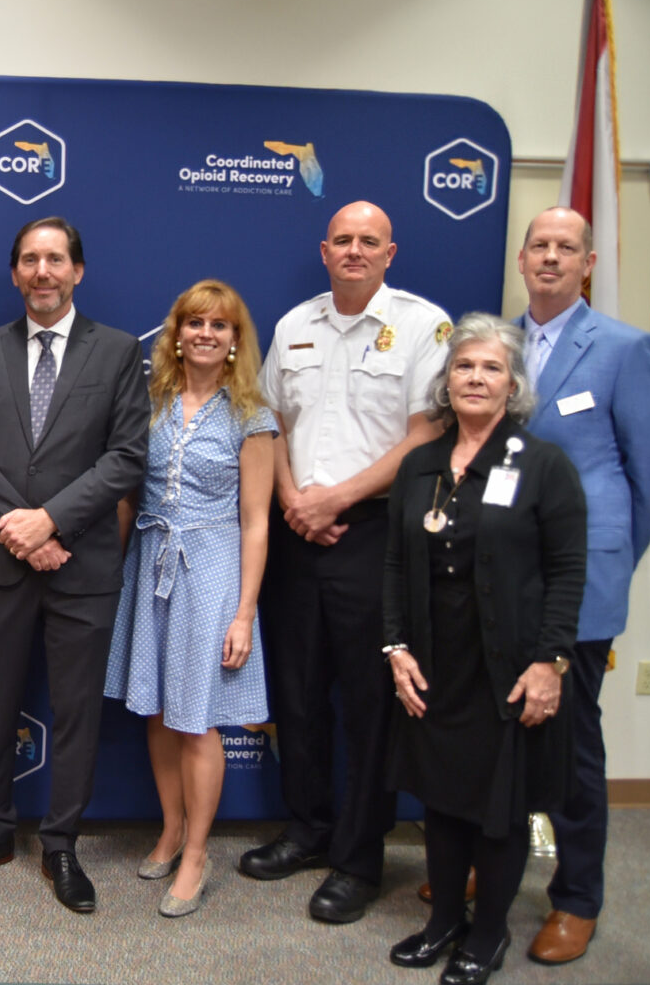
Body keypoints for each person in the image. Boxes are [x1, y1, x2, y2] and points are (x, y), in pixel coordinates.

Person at [244, 200, 450, 923]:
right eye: (343, 240)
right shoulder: (293, 326)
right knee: (298, 694)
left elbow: (426, 437)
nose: (354, 251)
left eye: (369, 241)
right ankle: (307, 829)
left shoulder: (423, 326)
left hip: (375, 534)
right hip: (296, 529)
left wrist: (337, 499)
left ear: (390, 253)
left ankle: (360, 857)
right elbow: (268, 423)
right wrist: (293, 499)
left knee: (369, 704)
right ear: (324, 251)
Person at [0, 216, 149, 913]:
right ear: (14, 273)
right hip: (0, 562)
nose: (42, 272)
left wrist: (52, 520)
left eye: (55, 259)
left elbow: (126, 456)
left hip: (81, 564)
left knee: (77, 711)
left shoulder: (118, 351)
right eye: (29, 260)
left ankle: (61, 843)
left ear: (77, 271)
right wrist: (26, 531)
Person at [384, 314, 586, 985]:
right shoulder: (419, 464)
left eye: (491, 368)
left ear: (513, 385)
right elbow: (394, 564)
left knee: (499, 806)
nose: (475, 377)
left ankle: (490, 933)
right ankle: (444, 922)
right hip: (435, 661)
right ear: (446, 381)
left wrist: (550, 662)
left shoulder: (544, 465)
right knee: (442, 799)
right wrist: (396, 647)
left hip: (508, 666)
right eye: (464, 366)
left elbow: (567, 571)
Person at [513, 207, 650, 965]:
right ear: (523, 259)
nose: (551, 258)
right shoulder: (495, 344)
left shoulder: (623, 349)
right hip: (503, 577)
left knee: (570, 740)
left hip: (579, 581)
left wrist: (612, 554)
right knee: (497, 732)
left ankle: (577, 898)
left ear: (587, 264)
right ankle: (494, 864)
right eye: (540, 246)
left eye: (566, 248)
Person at [105, 279, 276, 918]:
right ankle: (171, 829)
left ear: (235, 340)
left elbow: (257, 521)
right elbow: (128, 496)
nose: (205, 334)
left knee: (196, 720)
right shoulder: (151, 401)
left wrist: (244, 613)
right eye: (194, 322)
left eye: (219, 325)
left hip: (212, 571)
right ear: (176, 333)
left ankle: (198, 854)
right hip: (149, 563)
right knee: (156, 711)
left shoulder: (252, 415)